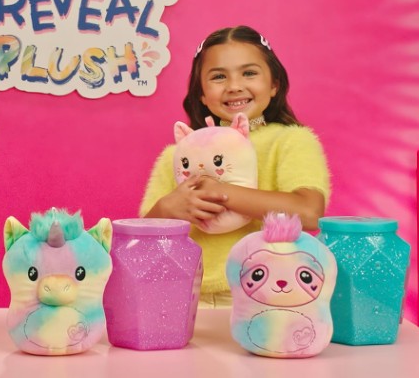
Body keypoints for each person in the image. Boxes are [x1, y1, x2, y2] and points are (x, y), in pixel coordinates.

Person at [139, 25, 330, 308]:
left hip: (267, 292)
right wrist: (166, 208)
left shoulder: (290, 141)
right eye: (218, 77)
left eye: (249, 73)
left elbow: (309, 212)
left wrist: (220, 192)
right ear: (202, 93)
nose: (234, 86)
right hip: (183, 293)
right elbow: (142, 240)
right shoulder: (178, 155)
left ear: (274, 84)